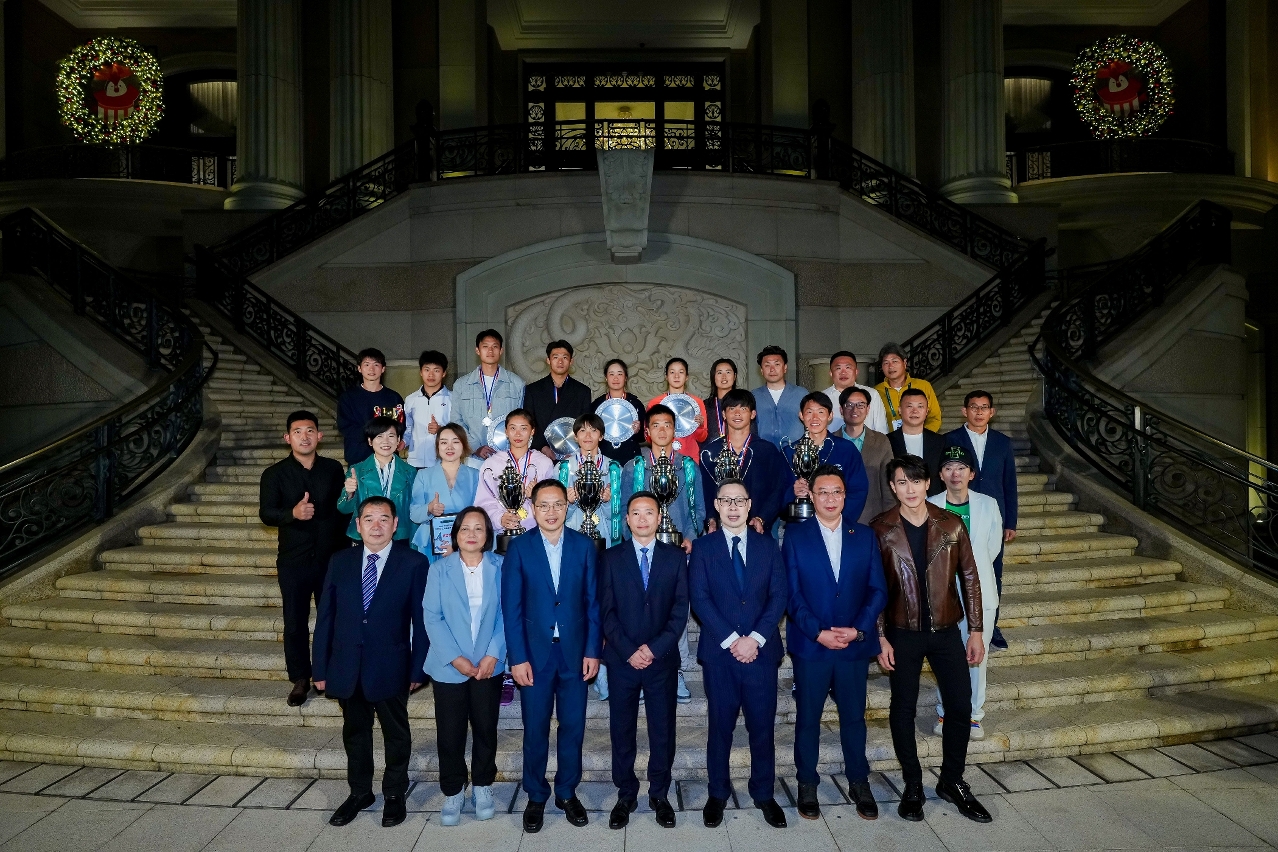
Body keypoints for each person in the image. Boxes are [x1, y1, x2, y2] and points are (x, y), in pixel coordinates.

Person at [869, 456, 991, 824]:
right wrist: (880, 637)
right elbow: (873, 589)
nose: (909, 489)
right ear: (893, 487)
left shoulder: (950, 523)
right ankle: (913, 784)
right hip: (901, 633)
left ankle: (952, 781)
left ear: (927, 484)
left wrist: (975, 630)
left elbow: (970, 578)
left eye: (915, 481)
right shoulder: (880, 529)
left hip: (946, 631)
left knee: (960, 706)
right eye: (901, 482)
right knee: (902, 709)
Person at [312, 496, 429, 829]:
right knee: (355, 734)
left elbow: (422, 622)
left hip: (392, 665)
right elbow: (326, 618)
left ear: (395, 524)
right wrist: (319, 667)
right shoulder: (340, 561)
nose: (376, 526)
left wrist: (418, 668)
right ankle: (359, 792)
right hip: (347, 665)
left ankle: (394, 793)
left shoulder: (414, 562)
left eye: (384, 519)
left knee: (396, 734)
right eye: (369, 519)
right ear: (358, 525)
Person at [783, 465, 887, 821]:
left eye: (837, 492)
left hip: (853, 646)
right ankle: (807, 783)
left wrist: (858, 629)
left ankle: (859, 781)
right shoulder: (795, 536)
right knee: (808, 718)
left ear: (845, 496)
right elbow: (791, 594)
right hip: (811, 646)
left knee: (854, 718)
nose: (830, 498)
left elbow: (878, 589)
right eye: (823, 492)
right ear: (811, 496)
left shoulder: (865, 535)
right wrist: (818, 632)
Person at [501, 479, 602, 833]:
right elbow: (511, 609)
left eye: (558, 504)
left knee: (573, 726)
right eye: (543, 505)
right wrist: (517, 658)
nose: (551, 511)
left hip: (574, 654)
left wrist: (593, 650)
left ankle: (566, 791)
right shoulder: (519, 548)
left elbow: (593, 603)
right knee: (535, 728)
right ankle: (536, 794)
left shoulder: (584, 546)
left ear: (567, 506)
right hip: (534, 656)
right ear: (532, 508)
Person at [689, 478, 789, 829]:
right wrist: (733, 639)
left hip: (761, 654)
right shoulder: (703, 548)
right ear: (717, 506)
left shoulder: (768, 546)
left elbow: (779, 596)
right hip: (720, 655)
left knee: (762, 728)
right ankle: (717, 793)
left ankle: (763, 792)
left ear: (749, 506)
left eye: (739, 500)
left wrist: (755, 639)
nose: (733, 507)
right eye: (726, 500)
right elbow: (700, 599)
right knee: (720, 728)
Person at [599, 491, 689, 830]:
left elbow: (680, 611)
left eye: (648, 512)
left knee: (662, 730)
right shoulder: (610, 558)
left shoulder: (675, 557)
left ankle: (659, 794)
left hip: (661, 660)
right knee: (621, 730)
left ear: (659, 517)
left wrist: (653, 649)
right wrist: (628, 650)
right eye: (635, 513)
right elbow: (605, 612)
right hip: (622, 660)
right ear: (626, 520)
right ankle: (626, 793)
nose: (642, 518)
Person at [421, 506, 506, 827]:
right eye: (465, 528)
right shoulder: (439, 569)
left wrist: (493, 654)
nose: (472, 534)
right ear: (455, 534)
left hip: (487, 665)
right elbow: (432, 617)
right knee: (450, 733)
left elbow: (507, 614)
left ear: (488, 535)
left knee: (485, 728)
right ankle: (453, 790)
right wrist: (456, 658)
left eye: (479, 528)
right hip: (449, 666)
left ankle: (483, 786)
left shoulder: (501, 566)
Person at [258, 410, 349, 707]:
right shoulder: (274, 474)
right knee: (295, 622)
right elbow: (266, 513)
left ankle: (330, 672)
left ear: (319, 436)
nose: (304, 436)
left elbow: (342, 510)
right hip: (293, 560)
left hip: (330, 558)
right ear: (288, 438)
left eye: (310, 430)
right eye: (297, 432)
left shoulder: (333, 469)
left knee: (331, 618)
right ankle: (300, 678)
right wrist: (292, 513)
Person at [620, 403, 705, 704]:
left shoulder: (688, 466)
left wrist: (691, 537)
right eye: (655, 425)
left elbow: (698, 509)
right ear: (647, 431)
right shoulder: (634, 467)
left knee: (674, 610)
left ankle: (675, 670)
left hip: (676, 550)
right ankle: (642, 672)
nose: (661, 430)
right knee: (642, 610)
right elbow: (624, 509)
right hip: (642, 548)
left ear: (675, 430)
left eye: (667, 425)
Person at [928, 446, 1001, 742]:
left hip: (979, 590)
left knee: (977, 655)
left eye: (961, 468)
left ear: (971, 474)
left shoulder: (988, 504)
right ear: (940, 474)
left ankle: (973, 715)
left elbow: (992, 548)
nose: (955, 473)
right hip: (942, 591)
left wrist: (970, 573)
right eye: (948, 468)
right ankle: (945, 711)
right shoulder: (929, 505)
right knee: (945, 655)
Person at [944, 390, 1018, 650]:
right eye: (973, 407)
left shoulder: (1002, 442)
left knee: (992, 570)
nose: (979, 412)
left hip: (992, 515)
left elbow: (1009, 483)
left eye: (984, 407)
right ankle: (954, 622)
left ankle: (991, 625)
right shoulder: (950, 439)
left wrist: (1011, 522)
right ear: (964, 411)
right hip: (958, 510)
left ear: (991, 412)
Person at [699, 389, 790, 536]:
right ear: (724, 414)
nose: (737, 413)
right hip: (720, 532)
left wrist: (762, 518)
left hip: (758, 531)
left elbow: (778, 489)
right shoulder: (710, 452)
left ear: (753, 414)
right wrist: (711, 520)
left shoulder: (767, 450)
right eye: (731, 409)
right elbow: (705, 491)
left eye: (743, 409)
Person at [783, 392, 868, 525]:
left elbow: (858, 490)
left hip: (838, 526)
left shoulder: (846, 449)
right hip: (799, 526)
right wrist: (792, 492)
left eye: (821, 412)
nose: (815, 418)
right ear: (801, 415)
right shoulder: (789, 451)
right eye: (809, 412)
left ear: (830, 416)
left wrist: (839, 522)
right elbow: (777, 491)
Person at [475, 409, 557, 535]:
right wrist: (499, 518)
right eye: (513, 428)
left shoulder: (544, 463)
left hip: (536, 532)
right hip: (502, 533)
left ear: (532, 431)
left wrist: (536, 496)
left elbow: (553, 502)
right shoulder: (491, 464)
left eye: (523, 428)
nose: (518, 434)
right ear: (506, 431)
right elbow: (483, 502)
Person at [337, 417, 416, 542]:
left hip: (399, 534)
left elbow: (415, 509)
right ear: (370, 441)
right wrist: (349, 494)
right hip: (366, 535)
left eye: (391, 436)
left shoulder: (410, 472)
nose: (386, 441)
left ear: (398, 440)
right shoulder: (357, 471)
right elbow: (343, 509)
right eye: (379, 436)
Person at [453, 329, 527, 462]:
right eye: (485, 346)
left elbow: (522, 421)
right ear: (477, 350)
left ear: (501, 350)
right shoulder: (461, 385)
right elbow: (456, 421)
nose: (490, 351)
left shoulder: (517, 384)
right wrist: (474, 447)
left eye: (495, 346)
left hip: (507, 457)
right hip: (472, 458)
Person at [409, 424, 480, 562]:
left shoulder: (475, 475)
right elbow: (414, 514)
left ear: (464, 445)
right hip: (431, 543)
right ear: (437, 447)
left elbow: (480, 514)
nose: (449, 447)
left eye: (455, 442)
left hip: (465, 542)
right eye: (443, 442)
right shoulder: (423, 475)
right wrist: (429, 509)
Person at [557, 413, 624, 549]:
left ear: (601, 436)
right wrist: (570, 503)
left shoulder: (614, 469)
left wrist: (608, 502)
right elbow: (557, 513)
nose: (588, 436)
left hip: (604, 538)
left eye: (593, 430)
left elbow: (618, 515)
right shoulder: (563, 468)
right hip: (572, 536)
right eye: (582, 431)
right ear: (575, 436)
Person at [525, 340, 594, 459]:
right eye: (555, 357)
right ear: (548, 360)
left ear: (571, 361)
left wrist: (574, 449)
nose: (560, 361)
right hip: (540, 453)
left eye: (565, 357)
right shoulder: (533, 390)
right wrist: (542, 446)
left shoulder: (582, 391)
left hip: (571, 453)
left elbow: (585, 425)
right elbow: (528, 423)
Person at [337, 348, 405, 465]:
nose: (371, 369)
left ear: (383, 369)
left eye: (376, 364)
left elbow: (400, 426)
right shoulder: (347, 397)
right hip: (358, 458)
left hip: (388, 458)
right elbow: (345, 427)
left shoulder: (394, 397)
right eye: (367, 364)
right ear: (359, 368)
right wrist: (375, 432)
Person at [839, 387, 895, 523]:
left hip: (872, 518)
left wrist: (889, 520)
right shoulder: (831, 442)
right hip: (837, 517)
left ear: (868, 409)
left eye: (861, 405)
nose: (855, 410)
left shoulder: (881, 441)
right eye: (849, 405)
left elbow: (888, 484)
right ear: (841, 409)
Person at [647, 357, 708, 461]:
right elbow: (648, 437)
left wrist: (700, 426)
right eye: (672, 372)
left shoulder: (696, 403)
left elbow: (702, 437)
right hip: (662, 457)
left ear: (687, 377)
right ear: (666, 377)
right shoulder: (655, 403)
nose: (676, 376)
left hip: (690, 457)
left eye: (681, 372)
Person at [887, 388, 944, 496]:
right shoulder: (887, 441)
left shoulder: (940, 441)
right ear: (900, 410)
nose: (915, 411)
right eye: (909, 406)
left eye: (920, 406)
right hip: (899, 502)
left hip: (933, 501)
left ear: (927, 411)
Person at [875, 343, 942, 433]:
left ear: (905, 363)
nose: (890, 366)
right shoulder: (876, 392)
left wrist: (922, 435)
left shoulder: (923, 386)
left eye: (895, 361)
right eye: (886, 363)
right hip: (888, 440)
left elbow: (934, 418)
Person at [592, 358, 646, 466]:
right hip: (603, 458)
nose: (615, 378)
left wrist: (638, 430)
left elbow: (642, 438)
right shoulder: (596, 405)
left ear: (625, 378)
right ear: (606, 378)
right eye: (611, 374)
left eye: (620, 374)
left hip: (630, 458)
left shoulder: (636, 404)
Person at [403, 350, 451, 470]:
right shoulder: (410, 400)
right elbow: (408, 429)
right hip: (414, 462)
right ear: (420, 372)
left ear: (444, 373)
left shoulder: (453, 399)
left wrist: (441, 430)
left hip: (441, 462)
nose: (431, 375)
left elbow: (460, 431)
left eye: (436, 370)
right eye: (427, 369)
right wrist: (402, 442)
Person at [751, 345, 806, 448]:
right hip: (764, 453)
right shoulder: (753, 396)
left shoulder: (801, 394)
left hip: (795, 453)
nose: (772, 369)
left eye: (777, 364)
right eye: (767, 365)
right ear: (761, 370)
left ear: (785, 368)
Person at [823, 351, 888, 435]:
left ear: (856, 372)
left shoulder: (872, 394)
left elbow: (881, 429)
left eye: (848, 367)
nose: (843, 372)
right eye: (838, 368)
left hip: (867, 443)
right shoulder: (822, 397)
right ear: (831, 373)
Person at [704, 357, 746, 444]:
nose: (724, 377)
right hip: (710, 450)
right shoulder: (704, 405)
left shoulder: (744, 403)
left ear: (735, 376)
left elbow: (751, 432)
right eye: (719, 373)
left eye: (728, 372)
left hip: (739, 449)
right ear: (713, 377)